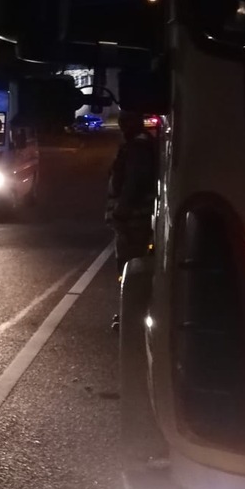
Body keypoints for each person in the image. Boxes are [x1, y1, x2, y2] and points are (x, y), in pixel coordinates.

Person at [107, 110, 157, 327]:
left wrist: (120, 212)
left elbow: (132, 184)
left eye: (123, 123)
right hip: (136, 218)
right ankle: (131, 312)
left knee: (129, 266)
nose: (121, 127)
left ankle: (131, 315)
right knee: (133, 265)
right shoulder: (145, 145)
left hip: (133, 220)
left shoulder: (138, 149)